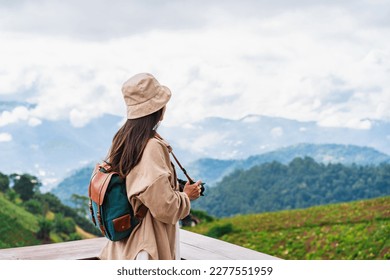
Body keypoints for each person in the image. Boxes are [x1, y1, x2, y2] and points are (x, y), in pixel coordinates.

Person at [98, 73, 202, 260]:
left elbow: (139, 184)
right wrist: (187, 196)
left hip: (125, 244)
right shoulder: (151, 145)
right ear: (158, 109)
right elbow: (164, 207)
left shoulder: (122, 139)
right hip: (147, 245)